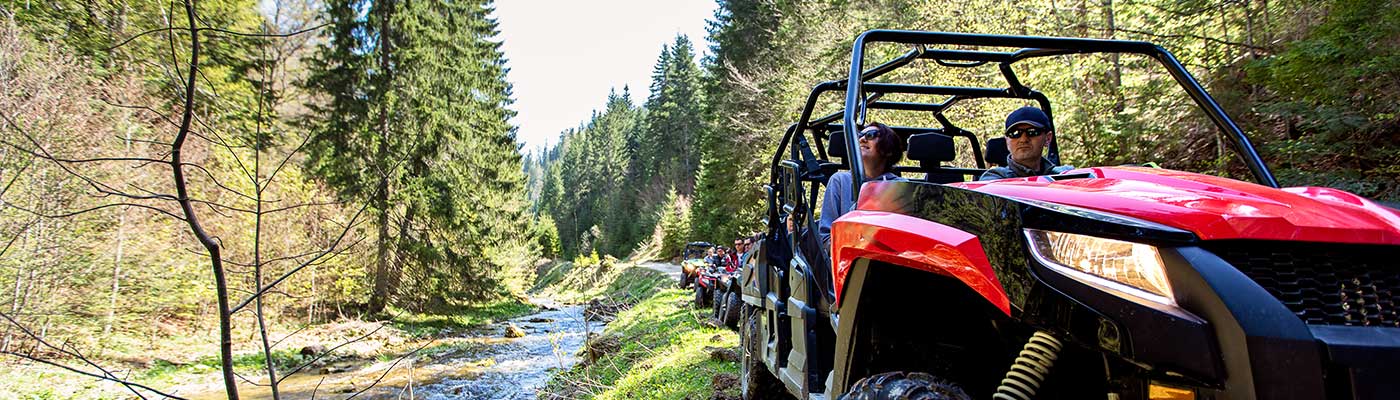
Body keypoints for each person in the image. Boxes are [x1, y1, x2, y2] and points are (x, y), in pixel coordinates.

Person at [819, 122, 905, 247]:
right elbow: (825, 237)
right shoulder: (840, 181)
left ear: (888, 150)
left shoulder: (901, 187)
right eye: (859, 135)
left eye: (871, 135)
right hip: (848, 257)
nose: (862, 139)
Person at [980, 106, 1074, 180]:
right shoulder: (993, 180)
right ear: (1007, 141)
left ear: (1048, 138)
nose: (1023, 139)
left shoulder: (1065, 176)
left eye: (1032, 132)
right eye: (1015, 133)